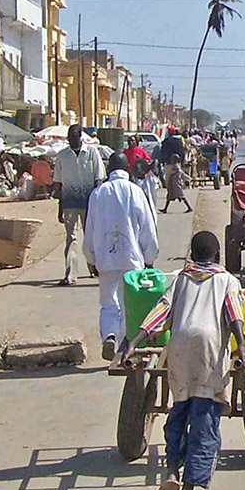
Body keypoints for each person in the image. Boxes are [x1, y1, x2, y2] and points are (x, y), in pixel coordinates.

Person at [122, 230, 245, 490]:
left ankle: (171, 473)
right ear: (217, 256)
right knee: (204, 420)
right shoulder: (227, 280)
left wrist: (134, 343)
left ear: (192, 254)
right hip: (208, 350)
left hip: (178, 347)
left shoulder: (180, 279)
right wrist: (241, 347)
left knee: (180, 410)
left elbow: (161, 311)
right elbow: (235, 315)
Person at [85, 153, 159, 360]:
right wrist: (149, 256)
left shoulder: (98, 194)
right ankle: (126, 343)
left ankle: (109, 335)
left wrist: (90, 257)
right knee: (129, 303)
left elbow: (89, 227)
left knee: (108, 302)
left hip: (105, 258)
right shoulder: (136, 192)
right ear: (127, 169)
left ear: (109, 170)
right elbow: (148, 227)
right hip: (132, 258)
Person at [53, 124, 106, 286]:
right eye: (70, 137)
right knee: (71, 238)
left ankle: (95, 267)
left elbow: (99, 179)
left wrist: (98, 204)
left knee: (91, 236)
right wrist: (60, 208)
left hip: (89, 202)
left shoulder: (92, 152)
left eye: (75, 136)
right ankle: (70, 274)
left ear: (81, 136)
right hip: (69, 202)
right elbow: (58, 184)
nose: (72, 139)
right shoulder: (62, 156)